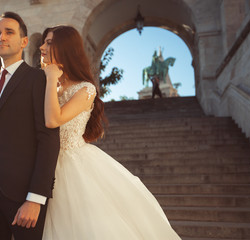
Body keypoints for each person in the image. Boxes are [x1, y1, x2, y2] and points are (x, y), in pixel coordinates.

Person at [40, 25, 181, 240]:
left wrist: (50, 78)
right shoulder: (47, 84)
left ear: (64, 48)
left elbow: (53, 119)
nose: (41, 47)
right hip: (43, 165)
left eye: (49, 42)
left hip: (73, 167)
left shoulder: (85, 89)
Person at [0, 12, 60, 240]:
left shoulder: (37, 79)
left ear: (24, 41)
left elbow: (48, 139)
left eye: (9, 32)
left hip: (24, 198)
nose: (1, 36)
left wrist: (35, 198)